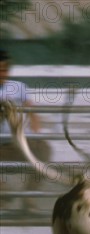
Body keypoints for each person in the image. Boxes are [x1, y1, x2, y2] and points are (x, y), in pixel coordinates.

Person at [0, 49, 51, 212]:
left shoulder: (18, 87)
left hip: (18, 142)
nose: (2, 73)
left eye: (5, 69)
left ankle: (29, 196)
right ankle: (3, 192)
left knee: (44, 149)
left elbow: (32, 113)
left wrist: (35, 134)